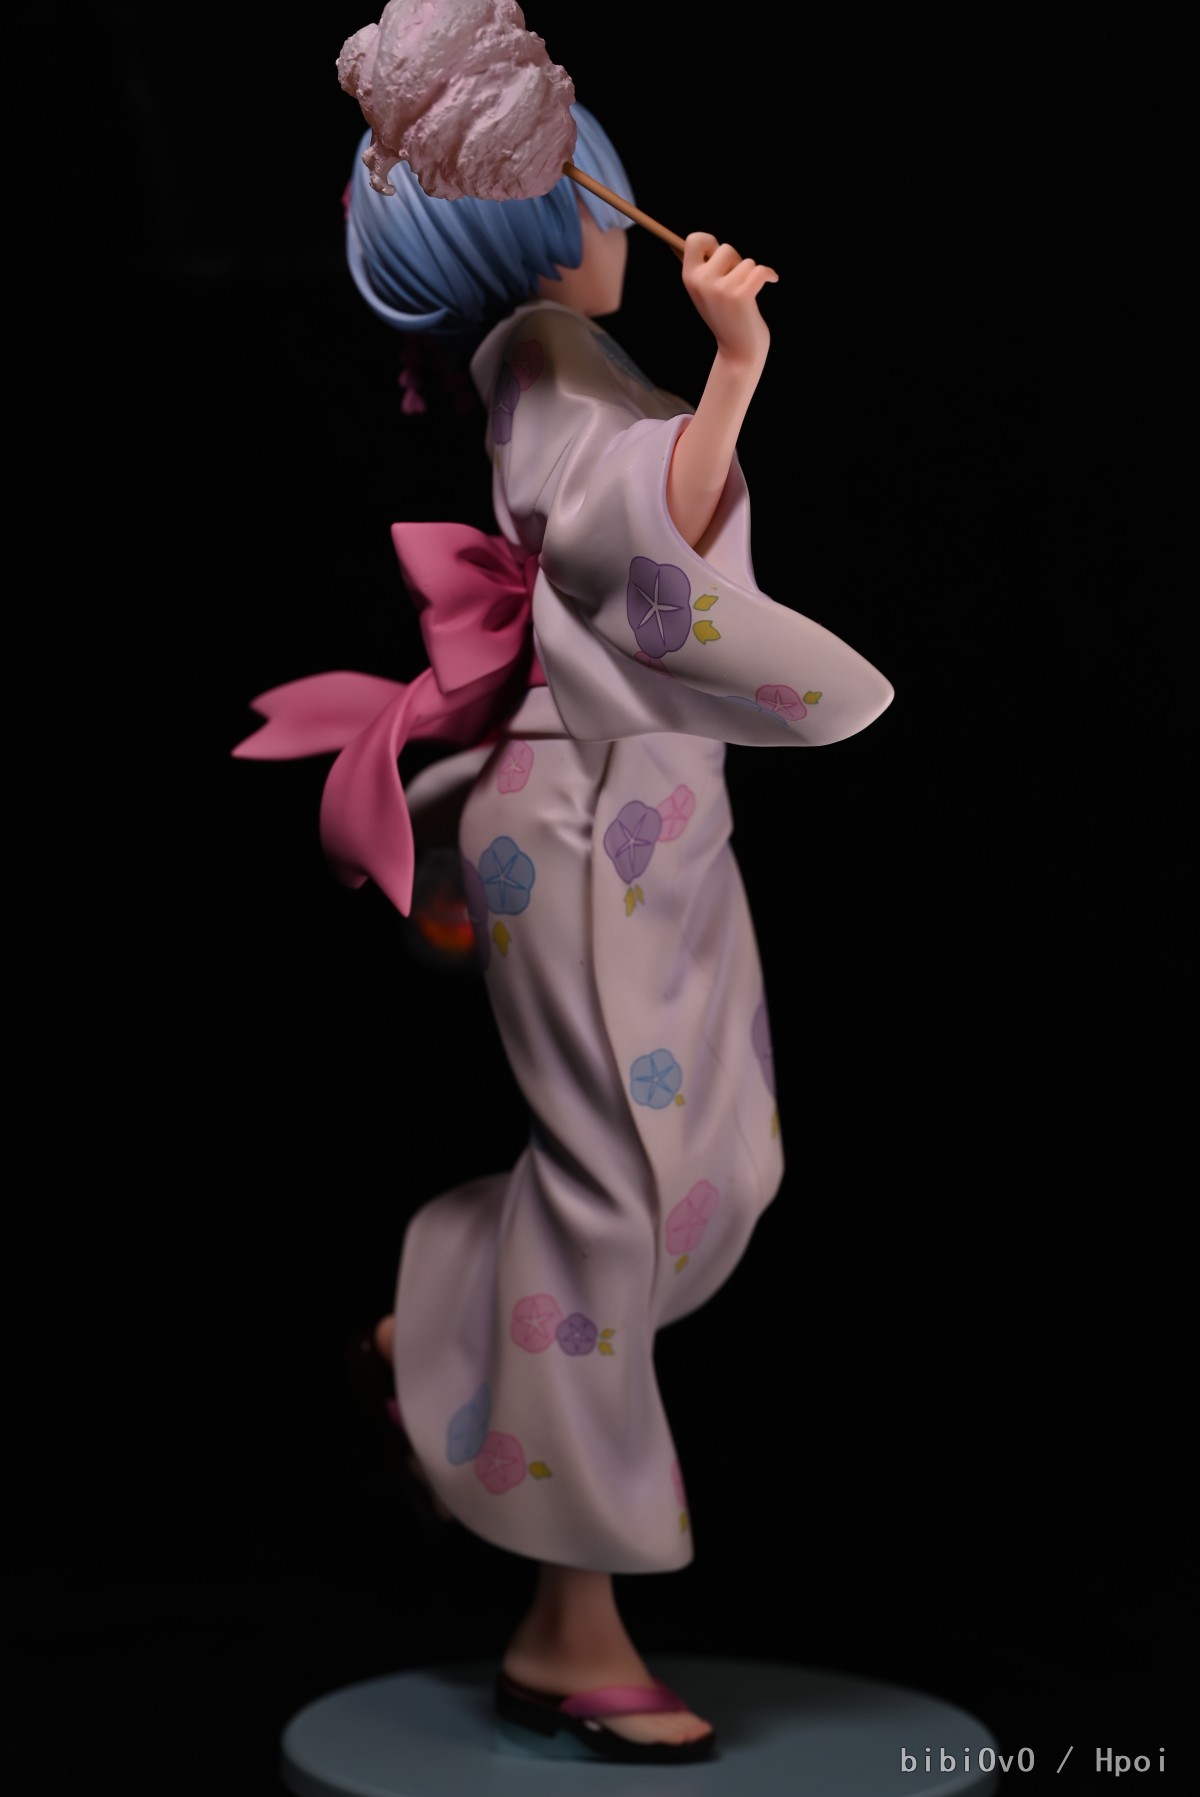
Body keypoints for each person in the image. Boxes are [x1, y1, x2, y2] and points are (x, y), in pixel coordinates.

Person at [236, 103, 893, 1762]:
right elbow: (622, 538)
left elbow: (643, 546)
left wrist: (717, 373)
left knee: (716, 1172)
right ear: (509, 231)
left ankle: (448, 1325)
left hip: (647, 809)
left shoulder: (565, 355)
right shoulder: (538, 356)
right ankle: (570, 1627)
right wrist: (734, 366)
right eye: (582, 192)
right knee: (621, 1199)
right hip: (589, 827)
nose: (617, 216)